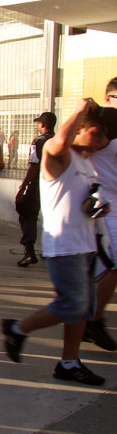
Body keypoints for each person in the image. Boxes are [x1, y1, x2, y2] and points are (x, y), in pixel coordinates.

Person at [1, 98, 112, 385]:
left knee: (84, 310)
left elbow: (83, 201)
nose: (102, 139)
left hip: (86, 244)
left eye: (105, 135)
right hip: (64, 247)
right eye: (96, 132)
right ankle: (17, 329)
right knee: (73, 305)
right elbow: (60, 141)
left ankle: (69, 362)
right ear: (78, 129)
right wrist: (78, 111)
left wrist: (98, 207)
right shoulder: (57, 154)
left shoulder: (87, 163)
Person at [85, 77, 117, 351]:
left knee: (101, 269)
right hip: (105, 208)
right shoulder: (105, 123)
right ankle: (92, 320)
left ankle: (88, 318)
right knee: (112, 266)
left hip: (111, 206)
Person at [15, 112, 56, 267]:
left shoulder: (38, 142)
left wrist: (23, 187)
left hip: (38, 184)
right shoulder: (58, 140)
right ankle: (50, 250)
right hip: (55, 185)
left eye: (39, 123)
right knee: (52, 217)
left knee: (27, 215)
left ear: (43, 125)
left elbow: (34, 166)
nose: (37, 126)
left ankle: (29, 252)